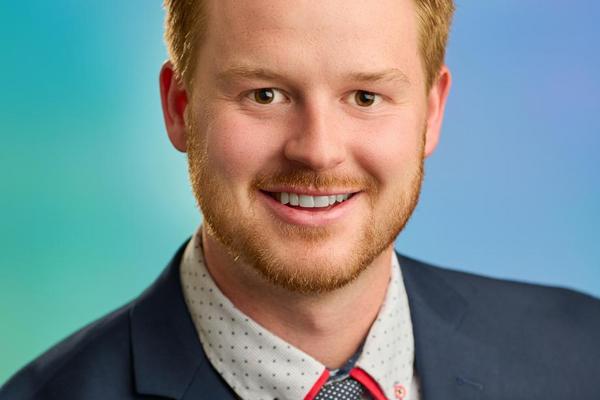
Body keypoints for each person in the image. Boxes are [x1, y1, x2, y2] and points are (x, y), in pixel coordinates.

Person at [2, 0, 599, 399]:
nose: (317, 151)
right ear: (179, 109)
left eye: (365, 97)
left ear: (433, 112)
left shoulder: (583, 354)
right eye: (265, 94)